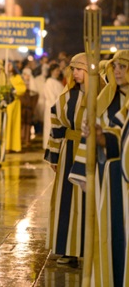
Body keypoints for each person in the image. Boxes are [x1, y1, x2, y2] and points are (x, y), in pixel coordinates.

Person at [70, 50, 129, 285]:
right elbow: (99, 133)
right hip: (109, 176)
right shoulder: (106, 98)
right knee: (109, 233)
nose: (116, 71)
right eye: (115, 67)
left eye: (123, 67)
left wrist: (107, 138)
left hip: (122, 175)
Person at [44, 53, 89, 265]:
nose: (76, 73)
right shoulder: (66, 96)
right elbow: (56, 125)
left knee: (87, 200)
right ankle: (68, 248)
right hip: (68, 152)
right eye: (73, 69)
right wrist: (54, 156)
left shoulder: (100, 95)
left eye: (80, 69)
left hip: (90, 153)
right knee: (66, 200)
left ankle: (89, 248)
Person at [5, 61, 27, 153]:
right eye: (7, 64)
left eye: (10, 64)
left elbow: (23, 88)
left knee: (13, 124)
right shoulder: (4, 77)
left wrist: (13, 90)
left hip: (14, 103)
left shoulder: (17, 77)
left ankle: (13, 146)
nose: (8, 66)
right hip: (5, 103)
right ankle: (5, 146)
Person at [43, 63, 64, 149]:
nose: (58, 72)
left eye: (59, 71)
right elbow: (51, 96)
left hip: (58, 107)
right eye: (56, 71)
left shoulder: (57, 82)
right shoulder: (49, 82)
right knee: (50, 127)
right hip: (52, 107)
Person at [20, 67, 39, 149]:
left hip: (29, 108)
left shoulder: (32, 86)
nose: (26, 76)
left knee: (28, 124)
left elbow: (35, 96)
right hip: (22, 108)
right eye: (24, 74)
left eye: (27, 75)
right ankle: (21, 138)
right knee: (21, 123)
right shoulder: (21, 84)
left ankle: (27, 139)